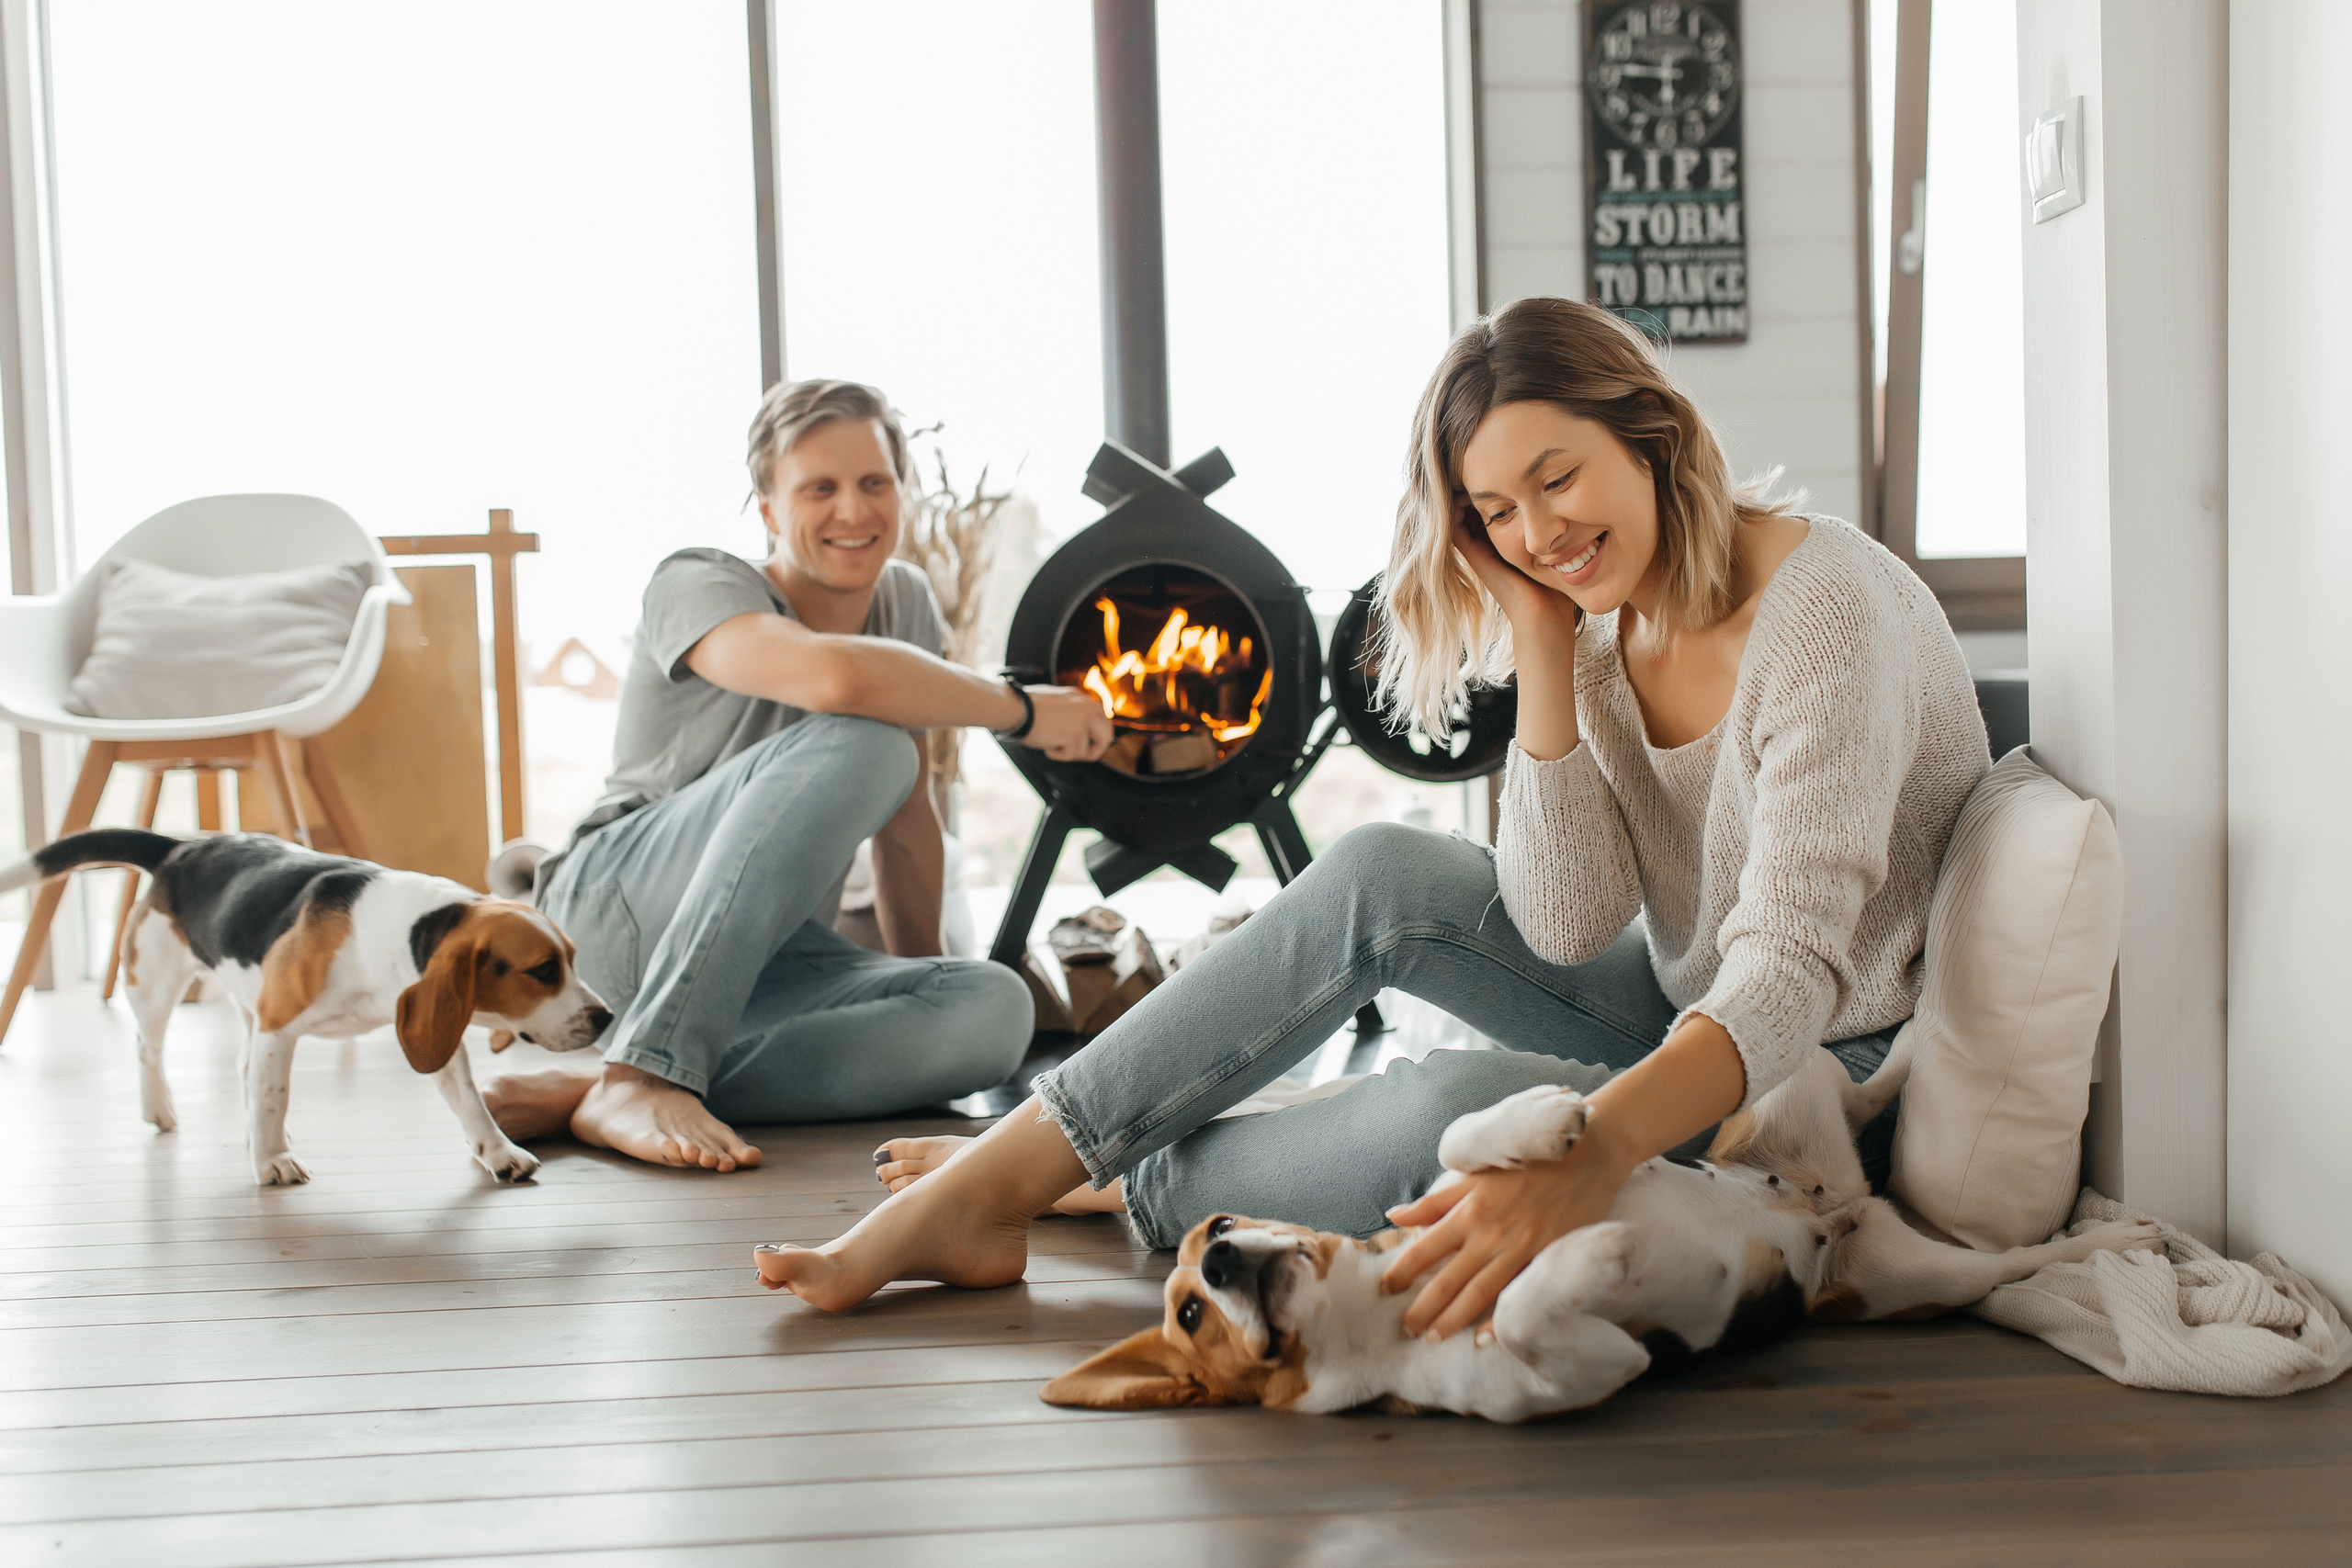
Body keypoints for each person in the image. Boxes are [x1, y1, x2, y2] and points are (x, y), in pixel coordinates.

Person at [753, 299, 1989, 1342]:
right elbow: (1563, 922)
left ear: (1649, 431)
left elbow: (1787, 981)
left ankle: (1113, 1170)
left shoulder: (1824, 609)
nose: (1538, 534)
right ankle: (1010, 1173)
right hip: (1684, 1014)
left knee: (1432, 1110)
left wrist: (1599, 1143)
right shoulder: (1602, 610)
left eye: (1556, 477)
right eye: (1496, 511)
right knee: (1382, 866)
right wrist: (1547, 651)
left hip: (1828, 1084)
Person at [482, 378, 1113, 1171]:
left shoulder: (904, 601)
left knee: (992, 1007)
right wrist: (1021, 709)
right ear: (770, 508)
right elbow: (833, 680)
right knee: (871, 742)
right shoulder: (697, 581)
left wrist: (920, 979)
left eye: (875, 483)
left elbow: (908, 824)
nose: (854, 510)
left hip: (768, 954)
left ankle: (596, 1089)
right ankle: (640, 1071)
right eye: (821, 487)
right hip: (615, 910)